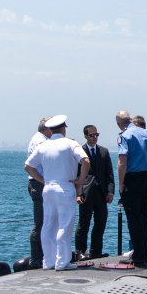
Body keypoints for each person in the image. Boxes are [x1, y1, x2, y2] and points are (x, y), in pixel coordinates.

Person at [24, 116, 89, 271]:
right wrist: (80, 180)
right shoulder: (70, 143)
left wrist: (43, 180)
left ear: (50, 130)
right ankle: (62, 261)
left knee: (48, 225)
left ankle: (48, 261)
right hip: (65, 187)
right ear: (64, 128)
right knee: (64, 225)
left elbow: (28, 166)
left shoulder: (43, 146)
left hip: (48, 188)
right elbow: (85, 160)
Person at [115, 111, 147, 266]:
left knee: (133, 218)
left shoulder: (125, 136)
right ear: (131, 120)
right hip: (146, 176)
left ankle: (138, 256)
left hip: (132, 178)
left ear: (118, 124)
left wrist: (121, 184)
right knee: (143, 215)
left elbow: (122, 161)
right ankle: (144, 252)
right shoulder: (146, 133)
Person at [75, 123, 115, 259]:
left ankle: (96, 251)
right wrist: (78, 193)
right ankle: (80, 252)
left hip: (101, 192)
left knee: (100, 222)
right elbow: (77, 173)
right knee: (83, 223)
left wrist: (110, 192)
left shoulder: (104, 151)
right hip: (86, 192)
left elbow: (109, 174)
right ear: (85, 136)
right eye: (92, 135)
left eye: (96, 135)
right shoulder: (79, 151)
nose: (95, 137)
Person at [25, 117, 48, 267]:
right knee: (40, 223)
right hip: (39, 184)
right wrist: (42, 180)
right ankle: (36, 258)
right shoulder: (41, 141)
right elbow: (30, 166)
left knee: (44, 222)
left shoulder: (39, 139)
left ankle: (41, 256)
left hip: (38, 183)